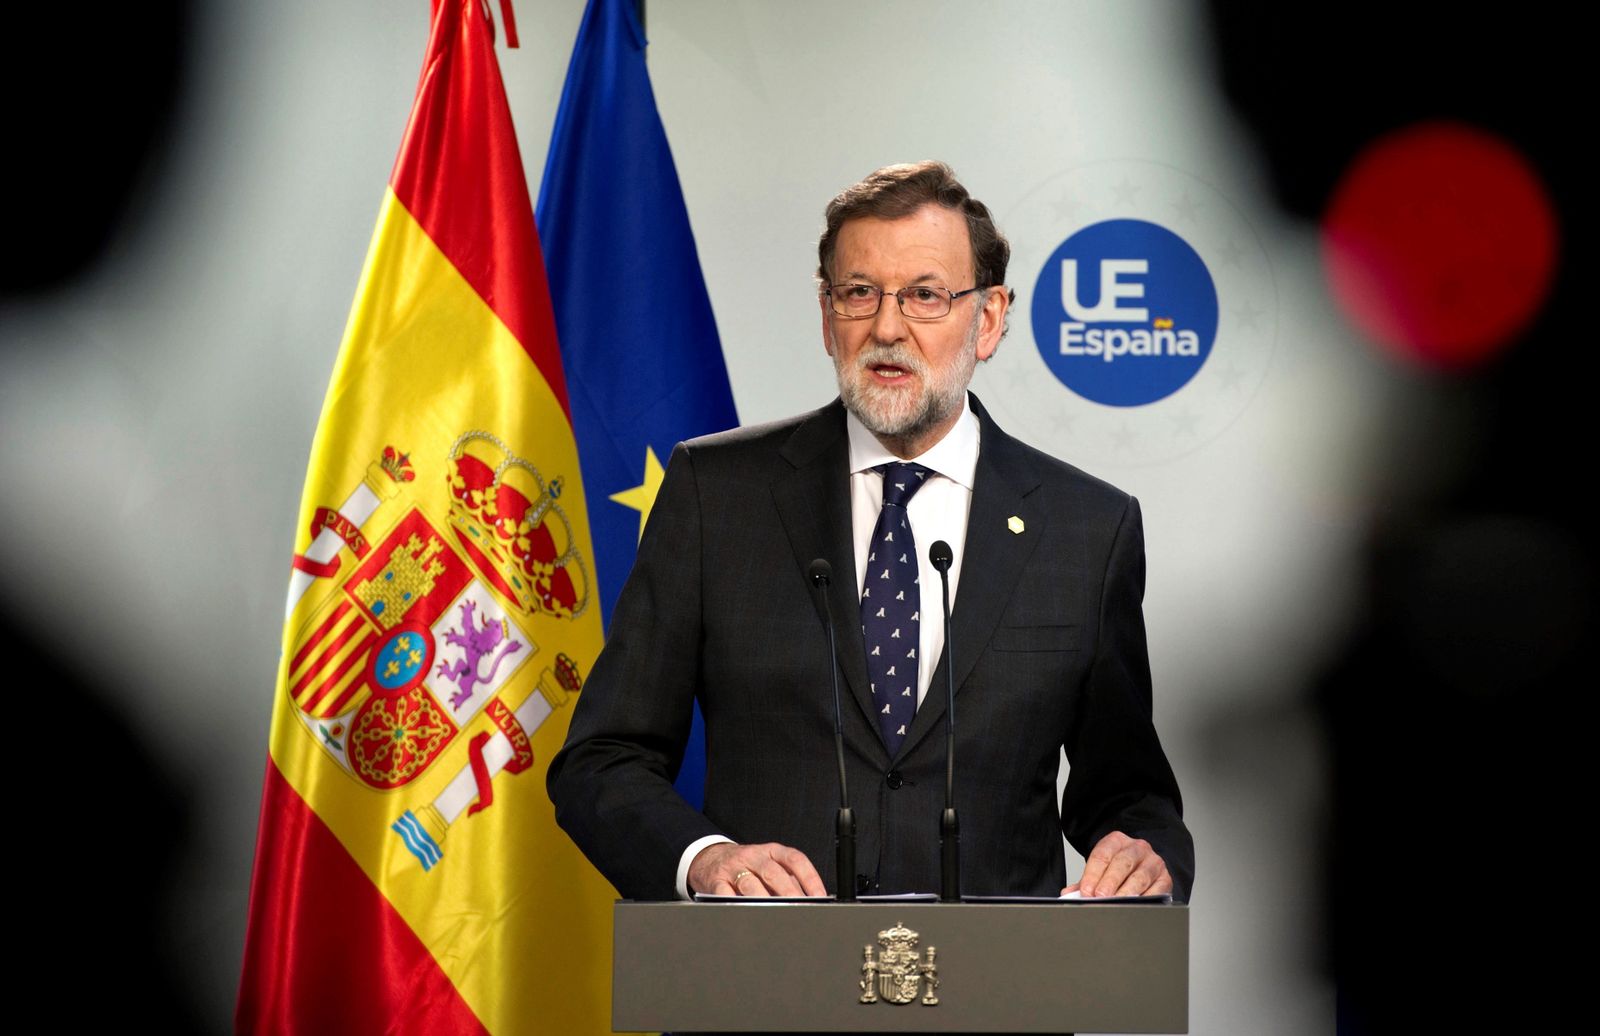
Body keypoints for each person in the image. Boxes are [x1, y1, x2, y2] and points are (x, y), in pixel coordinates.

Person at [547, 161, 1193, 903]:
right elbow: (602, 758)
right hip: (768, 992)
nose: (887, 328)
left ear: (987, 320)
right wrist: (702, 859)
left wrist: (1144, 854)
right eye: (860, 294)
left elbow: (1128, 792)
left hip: (993, 999)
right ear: (827, 315)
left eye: (925, 295)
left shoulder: (1087, 529)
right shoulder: (715, 497)